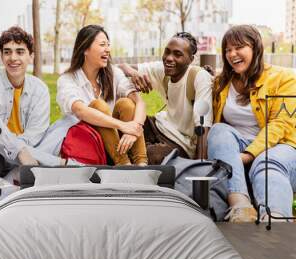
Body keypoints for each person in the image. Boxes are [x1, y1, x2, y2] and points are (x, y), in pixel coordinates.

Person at [207, 25, 296, 222]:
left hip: (280, 146)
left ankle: (277, 222)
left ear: (255, 48)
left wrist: (246, 156)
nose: (232, 54)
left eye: (239, 47)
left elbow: (281, 124)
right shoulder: (221, 83)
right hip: (236, 144)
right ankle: (240, 207)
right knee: (219, 130)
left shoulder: (284, 78)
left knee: (266, 163)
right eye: (228, 50)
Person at [0, 26, 68, 174]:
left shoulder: (40, 89)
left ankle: (25, 170)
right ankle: (59, 164)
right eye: (7, 52)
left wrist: (20, 149)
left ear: (31, 56)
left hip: (32, 149)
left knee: (69, 122)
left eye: (20, 52)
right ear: (2, 56)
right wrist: (19, 151)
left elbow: (36, 134)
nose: (13, 58)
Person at [56, 25, 148, 166]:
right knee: (97, 105)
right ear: (85, 49)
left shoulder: (113, 73)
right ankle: (124, 166)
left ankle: (142, 165)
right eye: (102, 45)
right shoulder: (67, 79)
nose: (108, 49)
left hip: (116, 144)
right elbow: (80, 110)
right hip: (89, 148)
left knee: (126, 104)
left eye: (108, 45)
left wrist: (134, 128)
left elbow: (140, 102)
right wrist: (123, 126)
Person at [119, 32, 213, 164]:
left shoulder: (199, 77)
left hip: (182, 143)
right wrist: (133, 73)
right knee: (126, 115)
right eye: (167, 52)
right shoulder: (164, 69)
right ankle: (132, 155)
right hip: (161, 127)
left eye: (177, 54)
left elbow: (203, 125)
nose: (169, 58)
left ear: (191, 59)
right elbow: (121, 68)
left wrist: (198, 167)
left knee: (151, 155)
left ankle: (137, 155)